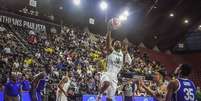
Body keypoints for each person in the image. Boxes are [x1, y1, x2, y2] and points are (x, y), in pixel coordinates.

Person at [97, 18, 129, 101]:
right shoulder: (111, 51)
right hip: (107, 73)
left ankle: (104, 96)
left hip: (115, 77)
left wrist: (126, 44)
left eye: (118, 42)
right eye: (115, 42)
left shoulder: (122, 53)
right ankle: (99, 94)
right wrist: (109, 30)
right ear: (113, 45)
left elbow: (126, 49)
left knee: (110, 99)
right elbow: (108, 43)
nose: (117, 42)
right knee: (107, 83)